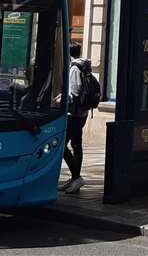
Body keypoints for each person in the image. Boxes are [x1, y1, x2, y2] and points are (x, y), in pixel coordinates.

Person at [62, 43, 97, 194]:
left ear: (69, 53)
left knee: (62, 145)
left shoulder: (75, 68)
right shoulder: (85, 66)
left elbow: (74, 92)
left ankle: (77, 177)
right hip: (83, 113)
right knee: (77, 144)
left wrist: (62, 100)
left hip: (74, 114)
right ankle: (74, 178)